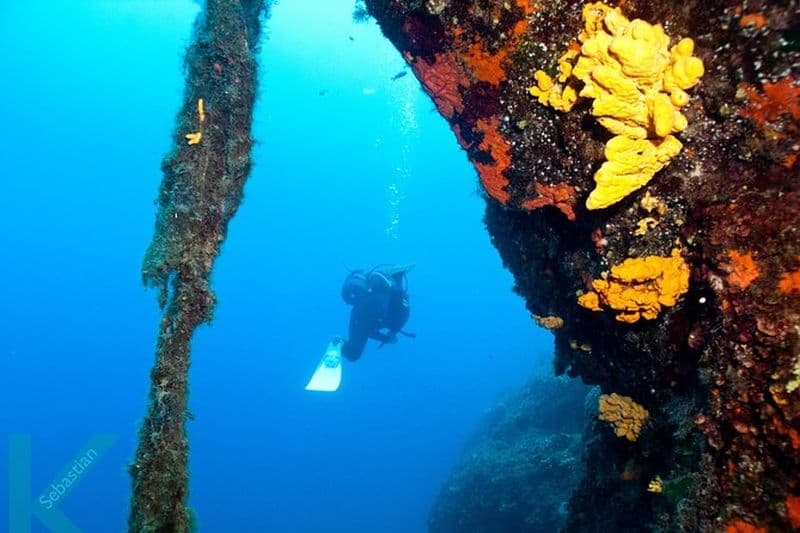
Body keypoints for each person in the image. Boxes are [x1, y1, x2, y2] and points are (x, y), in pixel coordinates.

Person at [339, 264, 415, 361]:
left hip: (363, 306)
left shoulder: (399, 313)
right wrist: (386, 339)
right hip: (369, 309)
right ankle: (339, 343)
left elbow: (366, 329)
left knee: (353, 353)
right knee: (353, 354)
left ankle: (338, 343)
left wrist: (385, 338)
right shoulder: (396, 322)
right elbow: (368, 330)